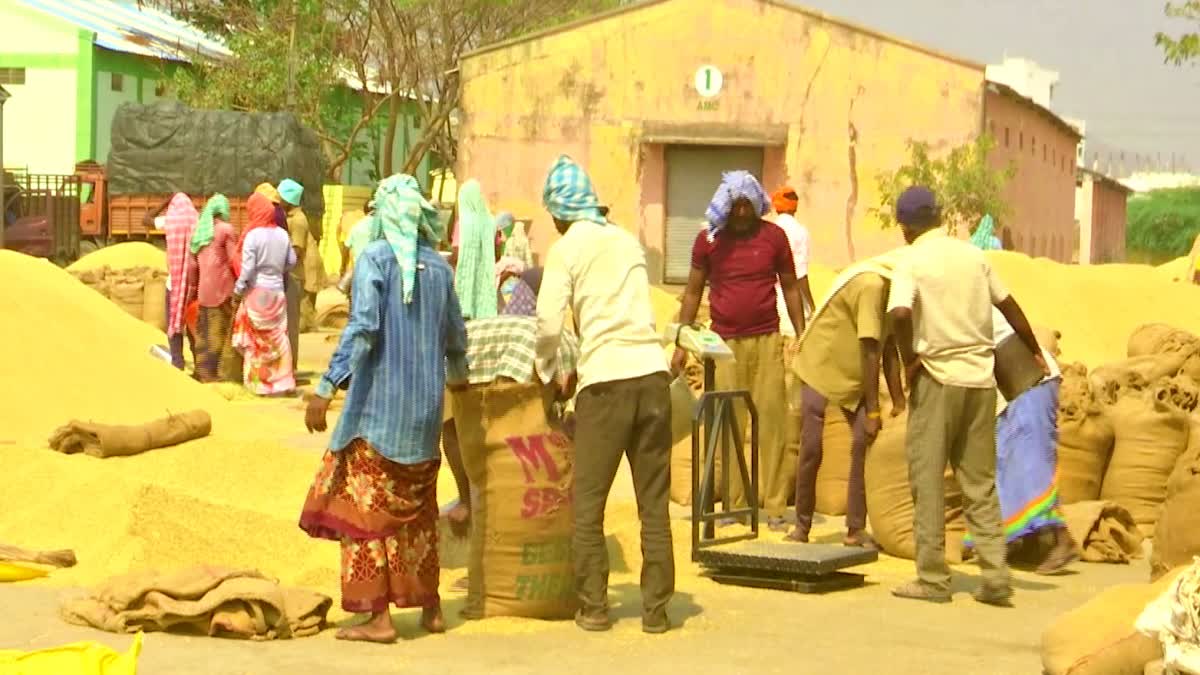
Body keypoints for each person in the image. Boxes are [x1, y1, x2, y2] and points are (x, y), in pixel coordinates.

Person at [300, 174, 467, 644]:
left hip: (379, 417)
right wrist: (461, 388)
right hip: (425, 418)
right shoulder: (439, 268)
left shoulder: (375, 260)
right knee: (417, 514)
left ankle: (378, 618)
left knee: (363, 511)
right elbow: (457, 339)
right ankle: (431, 608)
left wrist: (326, 386)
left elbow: (364, 328)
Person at [886, 185, 1047, 606]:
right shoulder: (974, 256)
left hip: (937, 378)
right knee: (979, 483)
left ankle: (933, 580)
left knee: (927, 480)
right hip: (980, 381)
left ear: (905, 226)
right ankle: (995, 576)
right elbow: (1010, 306)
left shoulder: (912, 260)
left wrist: (908, 360)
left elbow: (900, 313)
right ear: (939, 216)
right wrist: (1033, 352)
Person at [535, 155, 674, 634]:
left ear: (558, 213)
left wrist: (547, 370)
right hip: (654, 379)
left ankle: (594, 606)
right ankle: (656, 612)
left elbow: (549, 323)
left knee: (589, 503)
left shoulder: (567, 248)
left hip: (607, 384)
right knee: (653, 504)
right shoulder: (626, 240)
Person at [673, 171, 806, 532]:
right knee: (729, 423)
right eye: (737, 206)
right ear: (727, 206)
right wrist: (681, 340)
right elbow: (691, 291)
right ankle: (733, 504)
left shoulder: (774, 237)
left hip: (766, 341)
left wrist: (802, 334)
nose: (743, 212)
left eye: (749, 205)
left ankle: (776, 506)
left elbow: (791, 288)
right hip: (724, 345)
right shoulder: (708, 241)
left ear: (758, 204)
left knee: (774, 424)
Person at [786, 251, 907, 549]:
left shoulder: (896, 296)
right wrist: (875, 410)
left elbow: (889, 348)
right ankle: (801, 526)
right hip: (821, 365)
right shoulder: (871, 286)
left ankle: (855, 529)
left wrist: (900, 401)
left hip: (853, 376)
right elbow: (870, 349)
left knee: (861, 444)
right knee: (812, 445)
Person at [965, 308, 1078, 574]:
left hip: (1029, 378)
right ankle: (1023, 541)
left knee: (1031, 466)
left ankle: (1062, 540)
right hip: (1012, 387)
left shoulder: (962, 304)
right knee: (1006, 466)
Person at [231, 192, 297, 396]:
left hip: (257, 292)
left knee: (256, 339)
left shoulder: (253, 235)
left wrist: (238, 290)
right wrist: (278, 270)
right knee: (279, 337)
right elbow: (292, 261)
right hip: (277, 292)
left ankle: (258, 384)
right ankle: (283, 382)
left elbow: (248, 268)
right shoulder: (282, 235)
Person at [188, 194, 240, 383]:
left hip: (204, 291)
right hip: (223, 290)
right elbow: (234, 260)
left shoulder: (200, 231)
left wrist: (193, 289)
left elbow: (192, 266)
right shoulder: (226, 230)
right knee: (221, 333)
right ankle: (220, 376)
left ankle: (204, 373)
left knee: (204, 333)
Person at [278, 178, 316, 372]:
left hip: (293, 276)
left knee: (291, 323)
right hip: (287, 275)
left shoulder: (298, 220)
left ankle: (290, 367)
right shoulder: (289, 217)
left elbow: (297, 250)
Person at [770, 186, 816, 336]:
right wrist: (812, 305)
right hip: (790, 305)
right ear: (795, 208)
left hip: (767, 302)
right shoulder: (800, 231)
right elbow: (801, 275)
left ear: (776, 208)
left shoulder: (768, 231)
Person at [454, 179, 499, 320]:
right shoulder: (491, 223)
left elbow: (456, 254)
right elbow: (497, 254)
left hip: (465, 290)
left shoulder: (462, 224)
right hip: (486, 287)